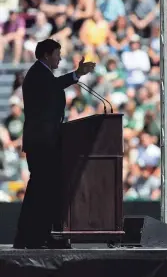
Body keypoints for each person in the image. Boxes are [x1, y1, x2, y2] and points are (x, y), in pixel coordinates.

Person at [13, 39, 95, 249]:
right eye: (58, 54)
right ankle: (32, 236)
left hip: (47, 142)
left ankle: (36, 235)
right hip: (42, 143)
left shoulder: (43, 74)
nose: (60, 58)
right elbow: (55, 86)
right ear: (47, 55)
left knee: (43, 190)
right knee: (41, 190)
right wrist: (77, 75)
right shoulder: (38, 74)